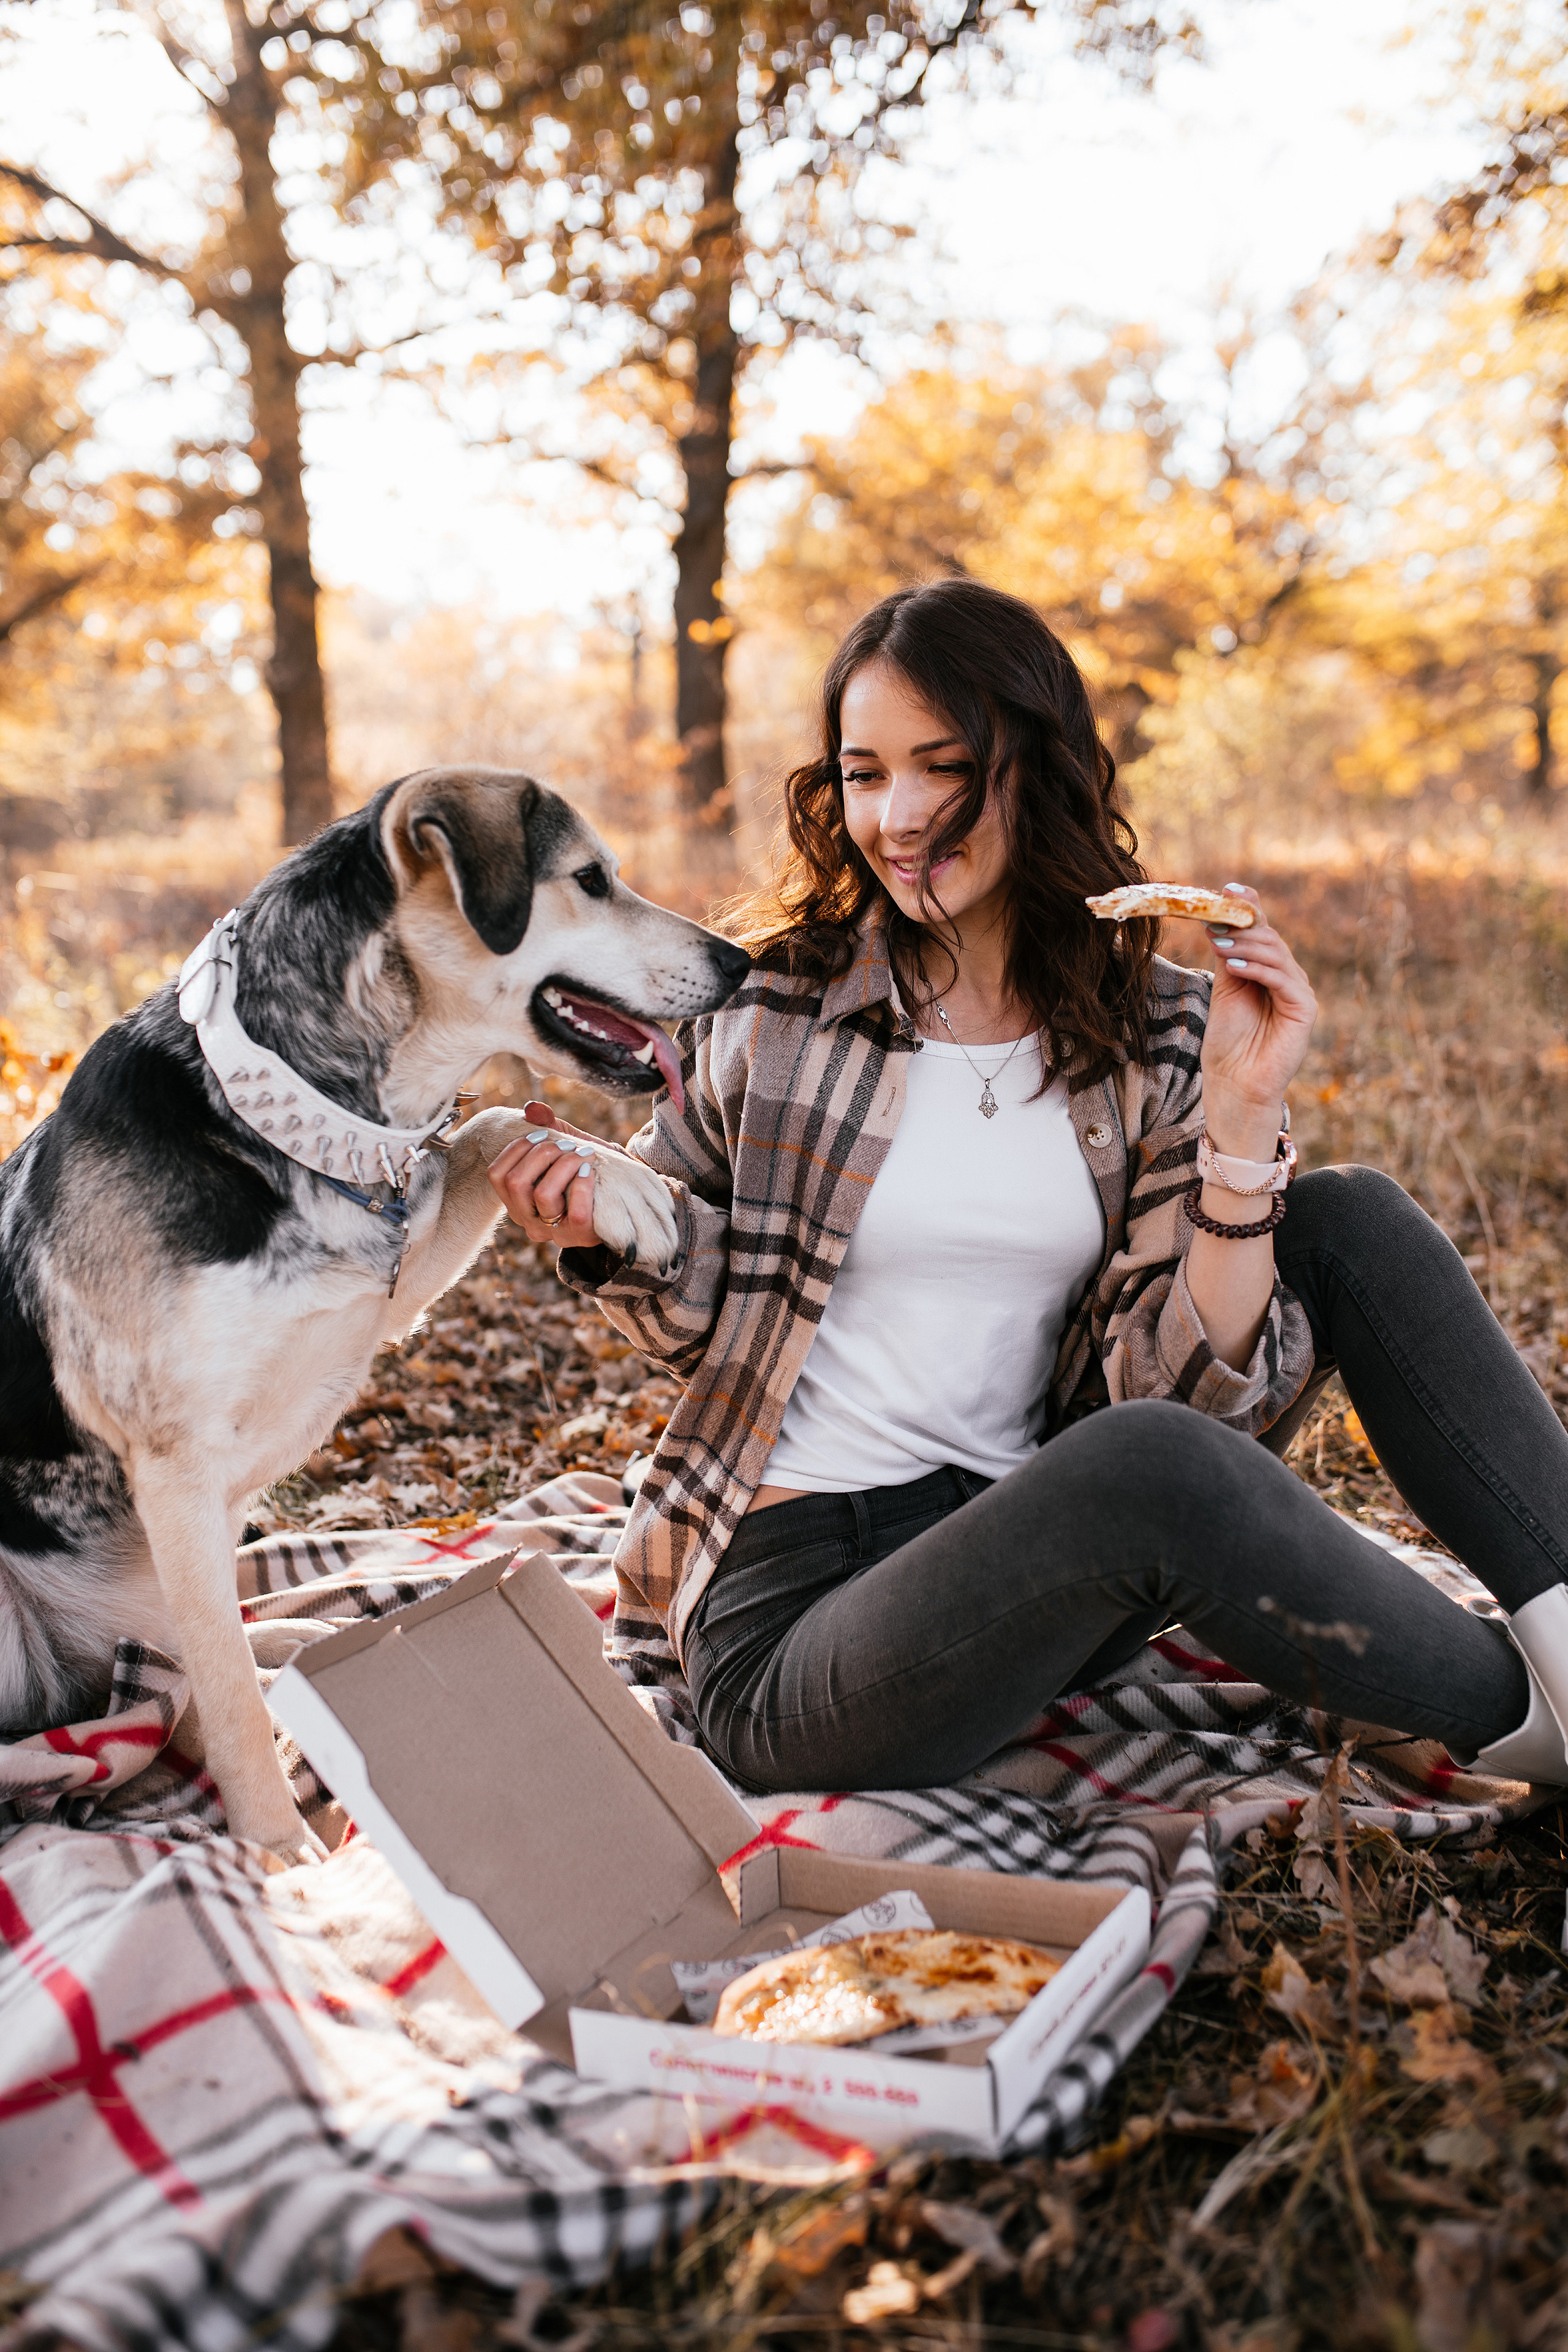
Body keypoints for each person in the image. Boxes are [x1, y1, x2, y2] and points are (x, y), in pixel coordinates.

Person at [488, 578, 1568, 1796]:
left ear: (1031, 770)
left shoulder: (1151, 1028)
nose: (895, 817)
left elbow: (1189, 1402)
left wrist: (1240, 1114)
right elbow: (693, 1302)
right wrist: (602, 1225)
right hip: (797, 1618)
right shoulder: (772, 1008)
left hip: (1037, 1551)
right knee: (1146, 1468)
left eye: (940, 767)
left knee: (1342, 1217)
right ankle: (1511, 1710)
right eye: (861, 774)